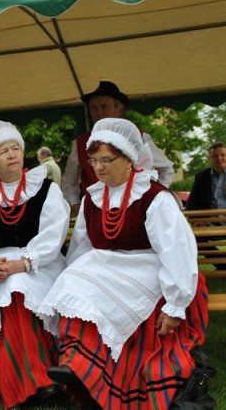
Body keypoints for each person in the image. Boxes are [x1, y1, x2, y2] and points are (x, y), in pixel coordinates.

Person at [39, 118, 208, 409]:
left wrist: (175, 305)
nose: (99, 167)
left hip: (150, 267)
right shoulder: (93, 199)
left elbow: (177, 252)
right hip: (107, 266)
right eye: (94, 161)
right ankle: (76, 363)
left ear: (129, 159)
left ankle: (88, 366)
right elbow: (82, 247)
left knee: (96, 288)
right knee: (72, 282)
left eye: (107, 159)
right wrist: (77, 282)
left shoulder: (154, 197)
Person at [0, 121, 70, 409]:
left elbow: (53, 233)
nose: (11, 154)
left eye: (15, 147)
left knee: (17, 287)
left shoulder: (46, 189)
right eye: (3, 151)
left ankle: (34, 381)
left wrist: (26, 262)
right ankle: (27, 384)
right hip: (1, 265)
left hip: (43, 263)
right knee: (7, 292)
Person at [62, 81, 174, 215]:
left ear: (119, 110)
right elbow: (69, 181)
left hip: (135, 210)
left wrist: (154, 197)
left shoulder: (139, 137)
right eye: (94, 108)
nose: (99, 112)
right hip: (96, 211)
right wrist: (77, 206)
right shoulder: (80, 143)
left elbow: (166, 168)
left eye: (104, 107)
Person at [186, 141, 226, 210]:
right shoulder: (201, 177)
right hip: (208, 219)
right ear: (209, 159)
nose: (219, 158)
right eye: (215, 156)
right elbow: (192, 203)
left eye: (222, 155)